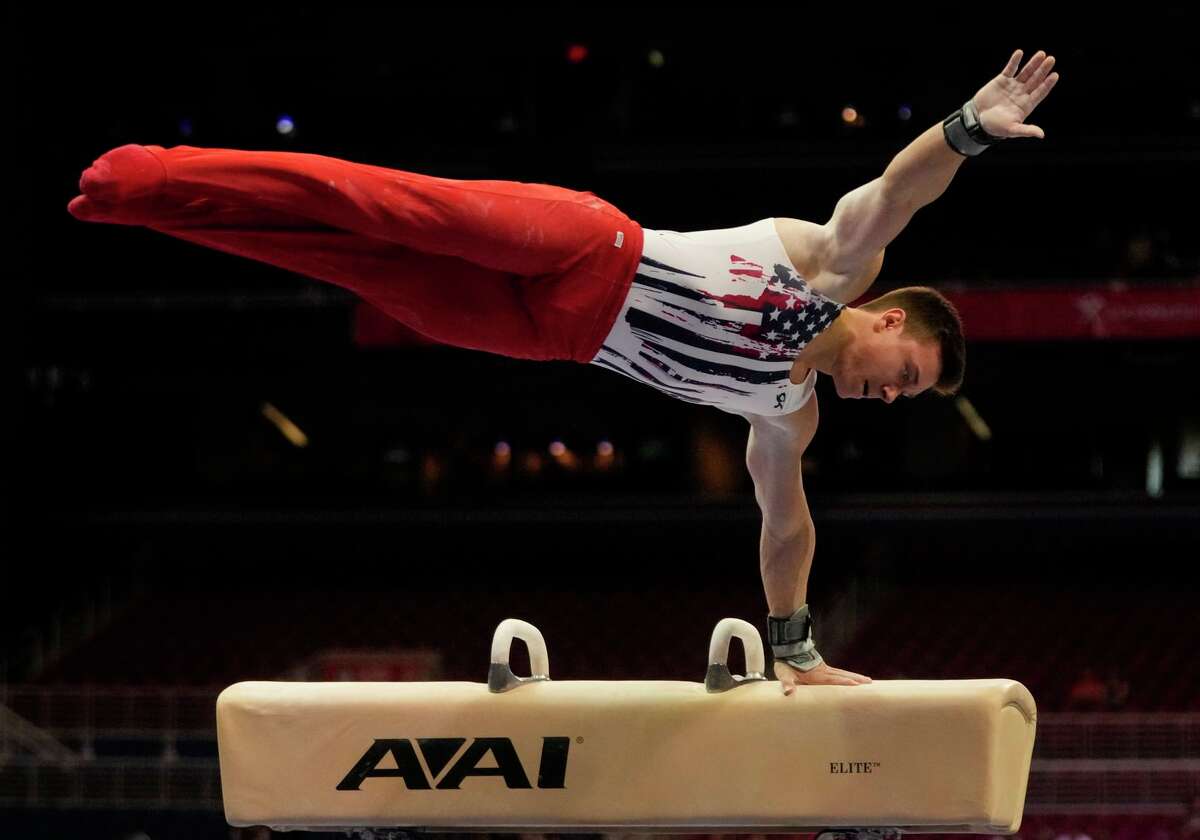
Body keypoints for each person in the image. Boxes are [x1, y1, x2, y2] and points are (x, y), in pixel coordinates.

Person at [68, 49, 1059, 693]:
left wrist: (794, 643)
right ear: (886, 317)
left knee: (359, 268)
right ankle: (159, 174)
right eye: (906, 369)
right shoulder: (832, 264)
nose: (892, 393)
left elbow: (786, 522)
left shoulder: (787, 412)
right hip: (587, 249)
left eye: (907, 397)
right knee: (392, 210)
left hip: (549, 337)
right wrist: (969, 127)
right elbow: (899, 188)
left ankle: (157, 216)